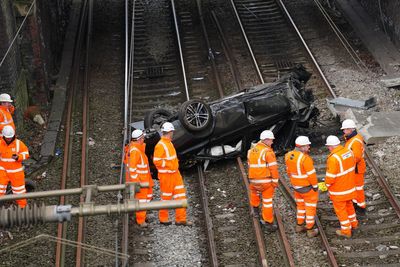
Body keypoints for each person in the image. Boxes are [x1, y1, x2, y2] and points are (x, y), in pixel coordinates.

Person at [153, 122, 192, 226]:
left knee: (181, 196)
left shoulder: (169, 143)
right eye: (172, 132)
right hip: (166, 176)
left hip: (175, 174)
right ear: (169, 132)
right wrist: (169, 165)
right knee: (166, 197)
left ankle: (181, 219)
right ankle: (163, 218)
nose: (173, 134)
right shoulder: (161, 145)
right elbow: (156, 161)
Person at [285, 136, 319, 237]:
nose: (309, 147)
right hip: (307, 188)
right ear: (301, 147)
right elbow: (312, 175)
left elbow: (289, 172)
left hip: (297, 187)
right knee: (310, 208)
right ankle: (310, 229)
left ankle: (299, 225)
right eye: (307, 145)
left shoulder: (288, 155)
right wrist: (315, 186)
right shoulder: (305, 159)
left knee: (300, 206)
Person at [325, 135, 358, 238]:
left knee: (341, 211)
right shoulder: (348, 152)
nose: (328, 148)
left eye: (328, 146)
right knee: (349, 206)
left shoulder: (334, 158)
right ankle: (354, 224)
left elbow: (331, 176)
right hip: (350, 187)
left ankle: (346, 231)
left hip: (339, 191)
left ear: (331, 146)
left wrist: (326, 185)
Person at [247, 130, 279, 231]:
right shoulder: (268, 152)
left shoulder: (250, 151)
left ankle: (255, 211)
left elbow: (249, 165)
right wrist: (274, 182)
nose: (272, 142)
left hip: (253, 181)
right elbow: (273, 168)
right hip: (265, 182)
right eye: (271, 140)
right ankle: (268, 223)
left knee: (254, 192)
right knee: (267, 202)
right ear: (266, 140)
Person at [126, 129, 154, 227]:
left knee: (146, 199)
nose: (144, 139)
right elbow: (132, 169)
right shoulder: (135, 151)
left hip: (145, 180)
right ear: (139, 139)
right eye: (143, 138)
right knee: (142, 200)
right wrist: (137, 182)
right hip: (141, 182)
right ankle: (140, 221)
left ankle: (143, 216)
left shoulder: (138, 149)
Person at [341, 119, 366, 216]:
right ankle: (356, 203)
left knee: (358, 188)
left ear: (351, 129)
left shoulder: (354, 141)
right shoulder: (352, 137)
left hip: (356, 168)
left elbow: (357, 157)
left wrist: (346, 162)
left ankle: (361, 207)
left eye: (345, 130)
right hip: (355, 168)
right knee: (355, 187)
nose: (344, 131)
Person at [0, 126, 29, 208]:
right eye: (7, 137)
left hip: (16, 172)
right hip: (3, 171)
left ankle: (22, 207)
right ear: (3, 136)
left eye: (10, 137)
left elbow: (26, 154)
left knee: (19, 191)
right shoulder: (0, 144)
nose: (9, 139)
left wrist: (18, 157)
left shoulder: (19, 144)